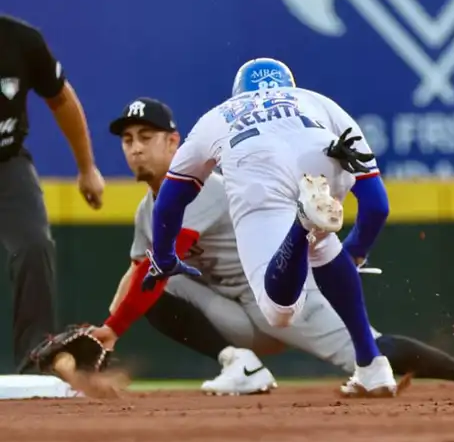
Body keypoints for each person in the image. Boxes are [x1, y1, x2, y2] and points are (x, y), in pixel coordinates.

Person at [87, 96, 454, 394]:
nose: (135, 147)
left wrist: (113, 329)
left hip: (286, 289)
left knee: (370, 348)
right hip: (234, 314)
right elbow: (138, 270)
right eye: (127, 139)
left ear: (174, 142)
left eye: (146, 137)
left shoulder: (206, 189)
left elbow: (154, 268)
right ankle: (238, 362)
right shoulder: (147, 210)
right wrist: (107, 327)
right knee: (157, 278)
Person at [137, 58, 404, 397]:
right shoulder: (316, 101)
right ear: (288, 86)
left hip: (259, 172)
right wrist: (356, 252)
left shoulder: (219, 116)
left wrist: (163, 255)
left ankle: (302, 223)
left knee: (279, 312)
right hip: (324, 161)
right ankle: (372, 367)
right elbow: (377, 205)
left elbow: (170, 199)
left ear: (238, 93)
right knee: (323, 248)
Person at [0, 15, 105, 372]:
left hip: (6, 163)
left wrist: (87, 168)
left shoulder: (21, 40)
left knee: (34, 245)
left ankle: (35, 356)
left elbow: (61, 100)